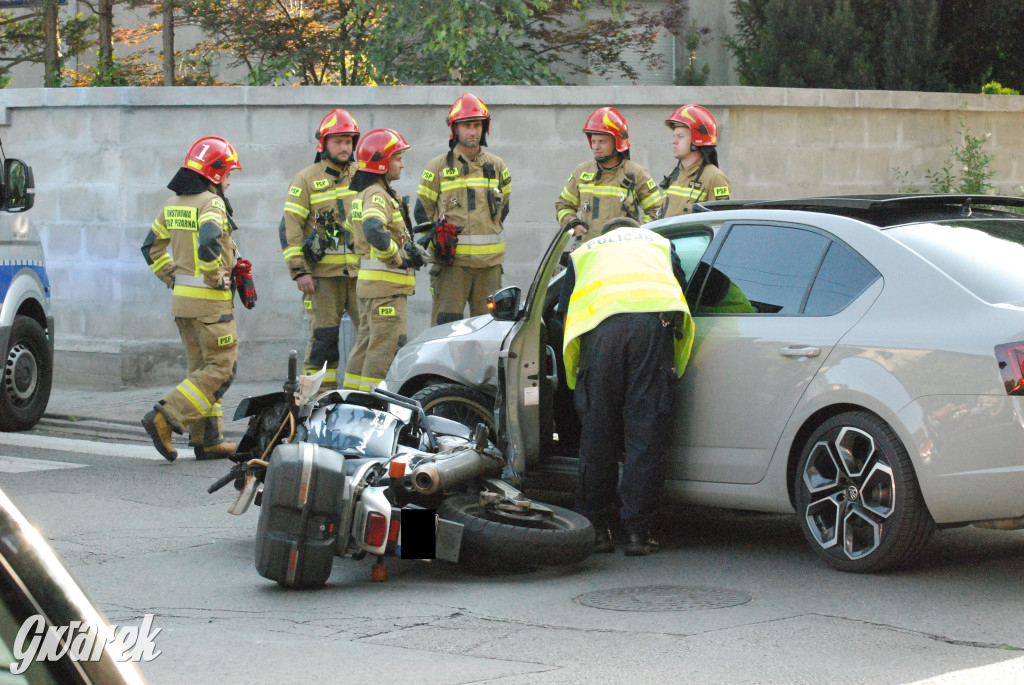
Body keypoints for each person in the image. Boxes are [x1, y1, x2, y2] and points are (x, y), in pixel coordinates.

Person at [558, 224, 694, 556]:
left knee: (598, 433)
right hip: (651, 331)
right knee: (645, 433)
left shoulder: (586, 252)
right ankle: (638, 533)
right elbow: (681, 295)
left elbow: (563, 313)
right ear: (636, 230)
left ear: (607, 233)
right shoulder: (661, 244)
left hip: (601, 332)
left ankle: (598, 530)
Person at [140, 136, 244, 462]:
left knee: (202, 369)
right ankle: (165, 417)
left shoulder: (173, 205)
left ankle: (207, 439)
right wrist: (216, 278)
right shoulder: (210, 203)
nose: (229, 180)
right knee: (221, 369)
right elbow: (211, 239)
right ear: (214, 174)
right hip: (211, 304)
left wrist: (172, 277)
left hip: (183, 304)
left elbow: (150, 248)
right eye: (227, 173)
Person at [279, 108, 361, 390]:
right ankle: (315, 403)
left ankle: (362, 400)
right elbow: (290, 229)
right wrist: (300, 271)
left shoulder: (363, 176)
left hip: (361, 275)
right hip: (322, 279)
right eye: (338, 141)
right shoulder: (305, 179)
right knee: (323, 342)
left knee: (371, 339)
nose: (344, 147)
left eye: (349, 141)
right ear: (323, 144)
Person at [415, 93, 512, 325]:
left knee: (487, 329)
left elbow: (504, 208)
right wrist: (436, 244)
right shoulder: (437, 167)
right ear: (455, 129)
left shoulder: (497, 166)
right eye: (466, 125)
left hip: (489, 268)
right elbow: (422, 212)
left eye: (477, 125)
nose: (472, 131)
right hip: (451, 268)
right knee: (446, 329)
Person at [342, 128, 422, 392]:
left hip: (371, 290)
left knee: (365, 347)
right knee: (383, 351)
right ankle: (371, 406)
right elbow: (374, 229)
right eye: (397, 157)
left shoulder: (363, 195)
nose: (402, 163)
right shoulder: (377, 195)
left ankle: (352, 399)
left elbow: (352, 238)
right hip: (385, 293)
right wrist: (397, 259)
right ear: (382, 162)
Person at [554, 107, 664, 242]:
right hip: (588, 251)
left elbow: (657, 210)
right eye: (593, 141)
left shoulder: (636, 173)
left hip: (623, 251)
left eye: (602, 141)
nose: (596, 147)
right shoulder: (582, 172)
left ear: (617, 142)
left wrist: (636, 230)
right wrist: (573, 224)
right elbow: (563, 205)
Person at [660, 104, 731, 217]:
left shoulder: (715, 178)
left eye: (680, 136)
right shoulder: (673, 176)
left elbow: (719, 222)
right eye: (674, 136)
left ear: (697, 140)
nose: (674, 141)